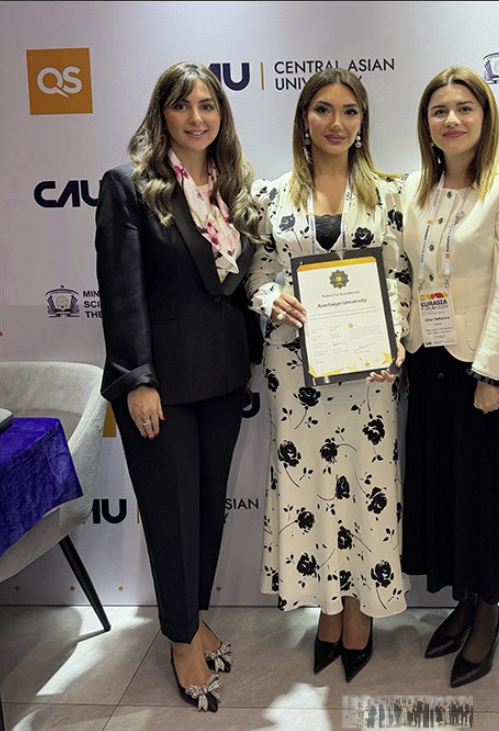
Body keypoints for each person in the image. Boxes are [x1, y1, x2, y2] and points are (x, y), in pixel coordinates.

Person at [95, 61, 263, 712]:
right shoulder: (130, 186)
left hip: (222, 378)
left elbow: (236, 289)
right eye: (182, 105)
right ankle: (178, 639)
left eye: (208, 105)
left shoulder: (231, 188)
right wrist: (137, 378)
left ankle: (192, 617)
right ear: (161, 113)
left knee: (206, 509)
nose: (196, 117)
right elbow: (122, 291)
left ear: (222, 115)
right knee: (171, 514)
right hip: (159, 386)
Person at [247, 68, 410, 683]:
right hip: (296, 372)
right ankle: (327, 605)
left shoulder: (390, 194)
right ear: (304, 119)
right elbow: (256, 273)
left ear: (362, 121)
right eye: (322, 109)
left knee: (367, 484)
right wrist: (271, 300)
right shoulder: (270, 195)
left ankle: (361, 607)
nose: (336, 123)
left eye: (349, 111)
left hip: (368, 372)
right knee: (309, 487)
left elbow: (401, 276)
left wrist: (394, 338)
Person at [400, 65, 499, 689]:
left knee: (487, 494)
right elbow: (408, 274)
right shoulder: (415, 187)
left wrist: (491, 372)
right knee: (448, 491)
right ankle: (462, 597)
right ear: (426, 123)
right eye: (439, 110)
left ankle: (488, 610)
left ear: (485, 117)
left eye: (465, 108)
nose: (452, 119)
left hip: (485, 368)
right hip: (428, 364)